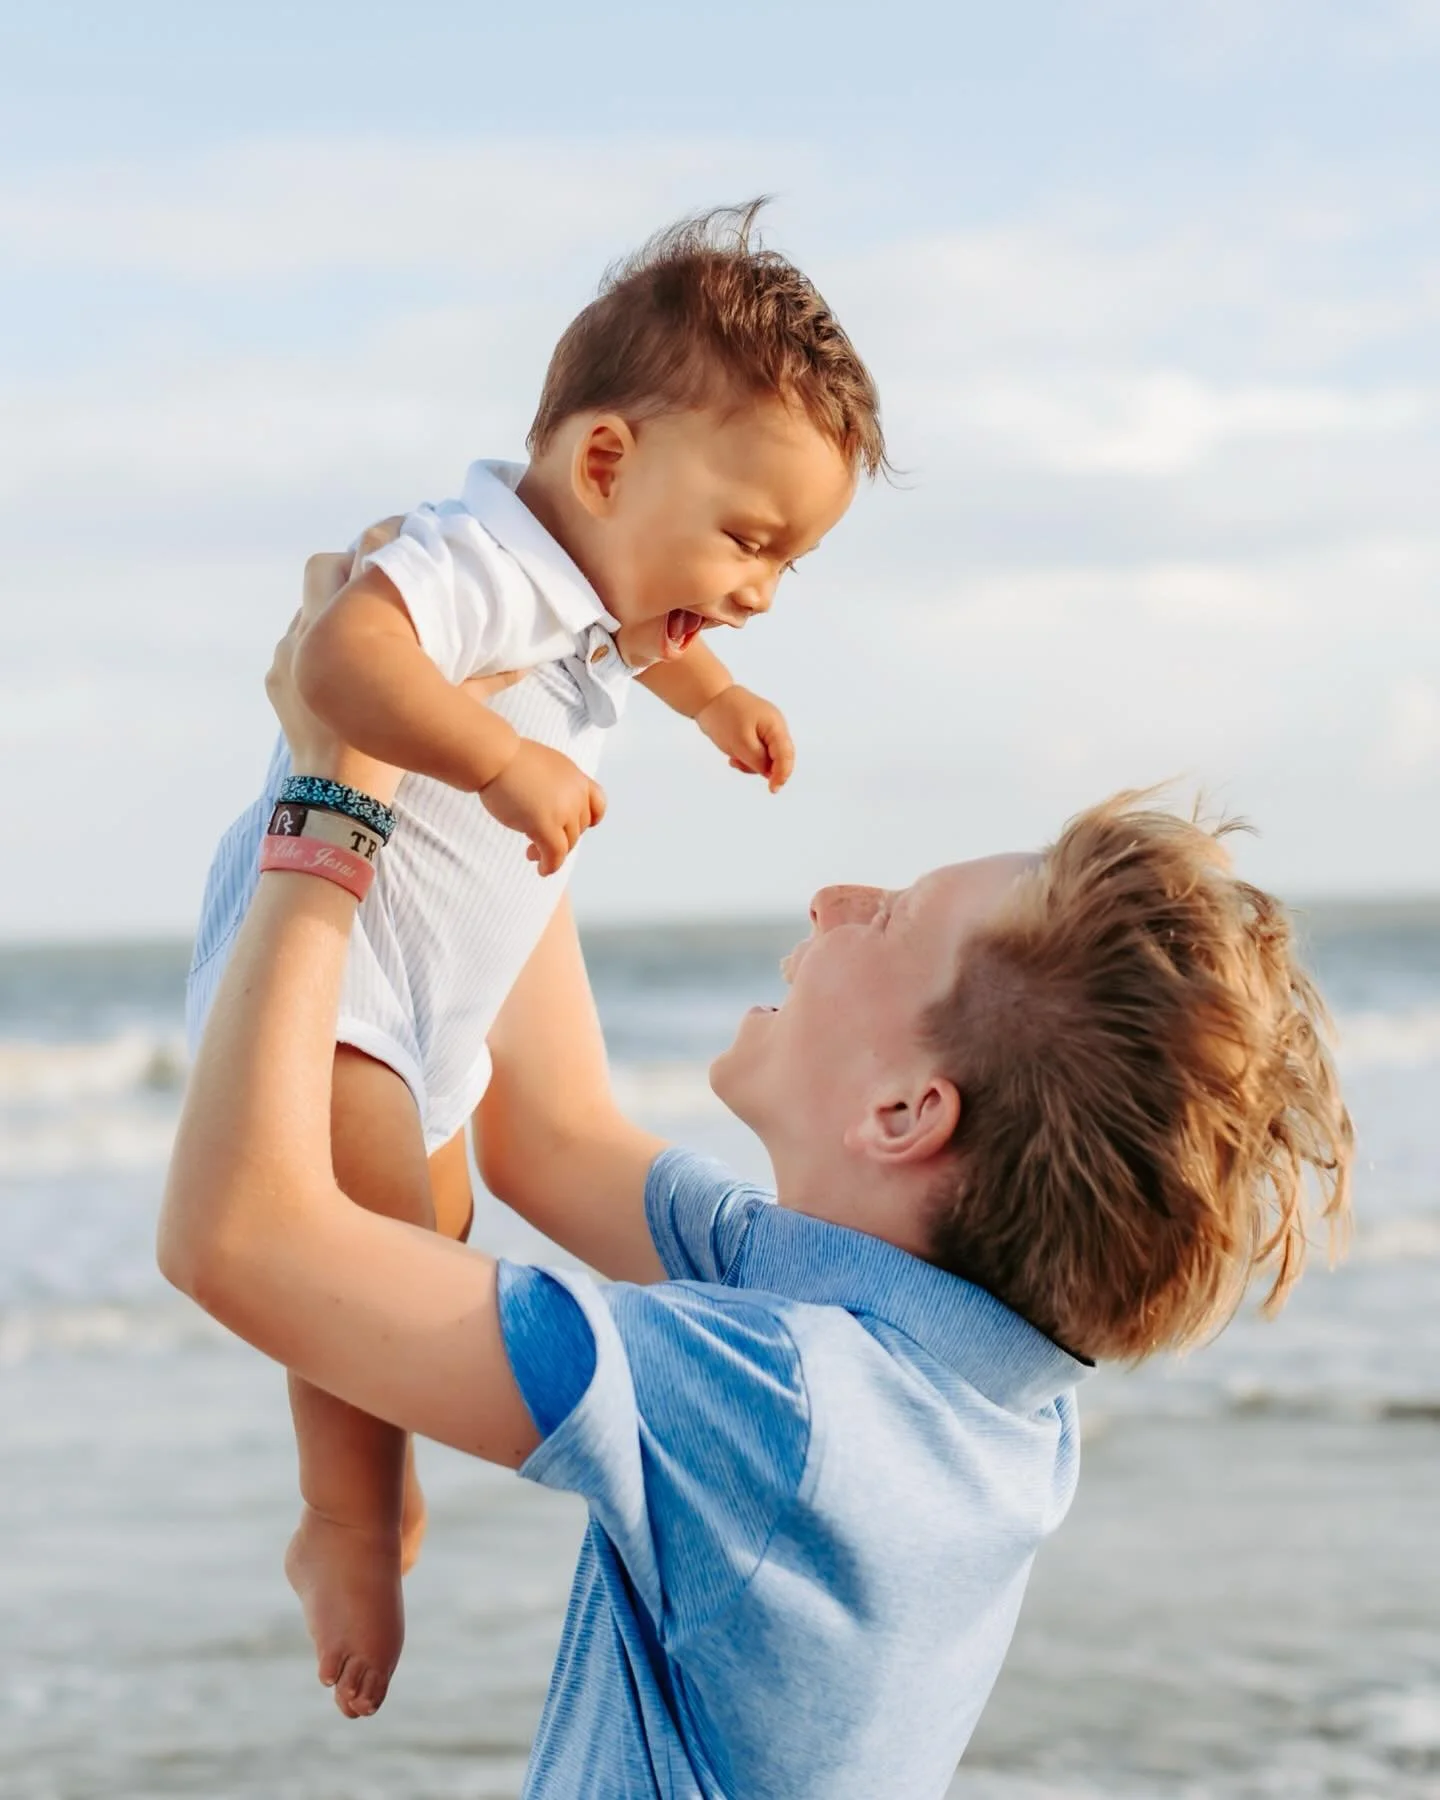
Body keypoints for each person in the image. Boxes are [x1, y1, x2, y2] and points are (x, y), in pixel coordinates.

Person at [159, 551, 1353, 1797]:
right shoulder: (956, 1363)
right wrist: (494, 731)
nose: (835, 899)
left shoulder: (792, 1417)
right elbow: (552, 1135)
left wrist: (333, 781)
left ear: (905, 1111)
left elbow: (236, 1239)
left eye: (888, 918)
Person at [182, 201, 882, 1716]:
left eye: (789, 562)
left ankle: (375, 1485)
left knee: (429, 1225)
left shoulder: (605, 576)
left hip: (439, 985)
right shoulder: (477, 558)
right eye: (750, 538)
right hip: (342, 957)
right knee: (358, 1237)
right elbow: (338, 661)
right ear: (607, 464)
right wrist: (498, 760)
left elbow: (647, 640)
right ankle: (350, 1519)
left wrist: (711, 701)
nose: (757, 586)